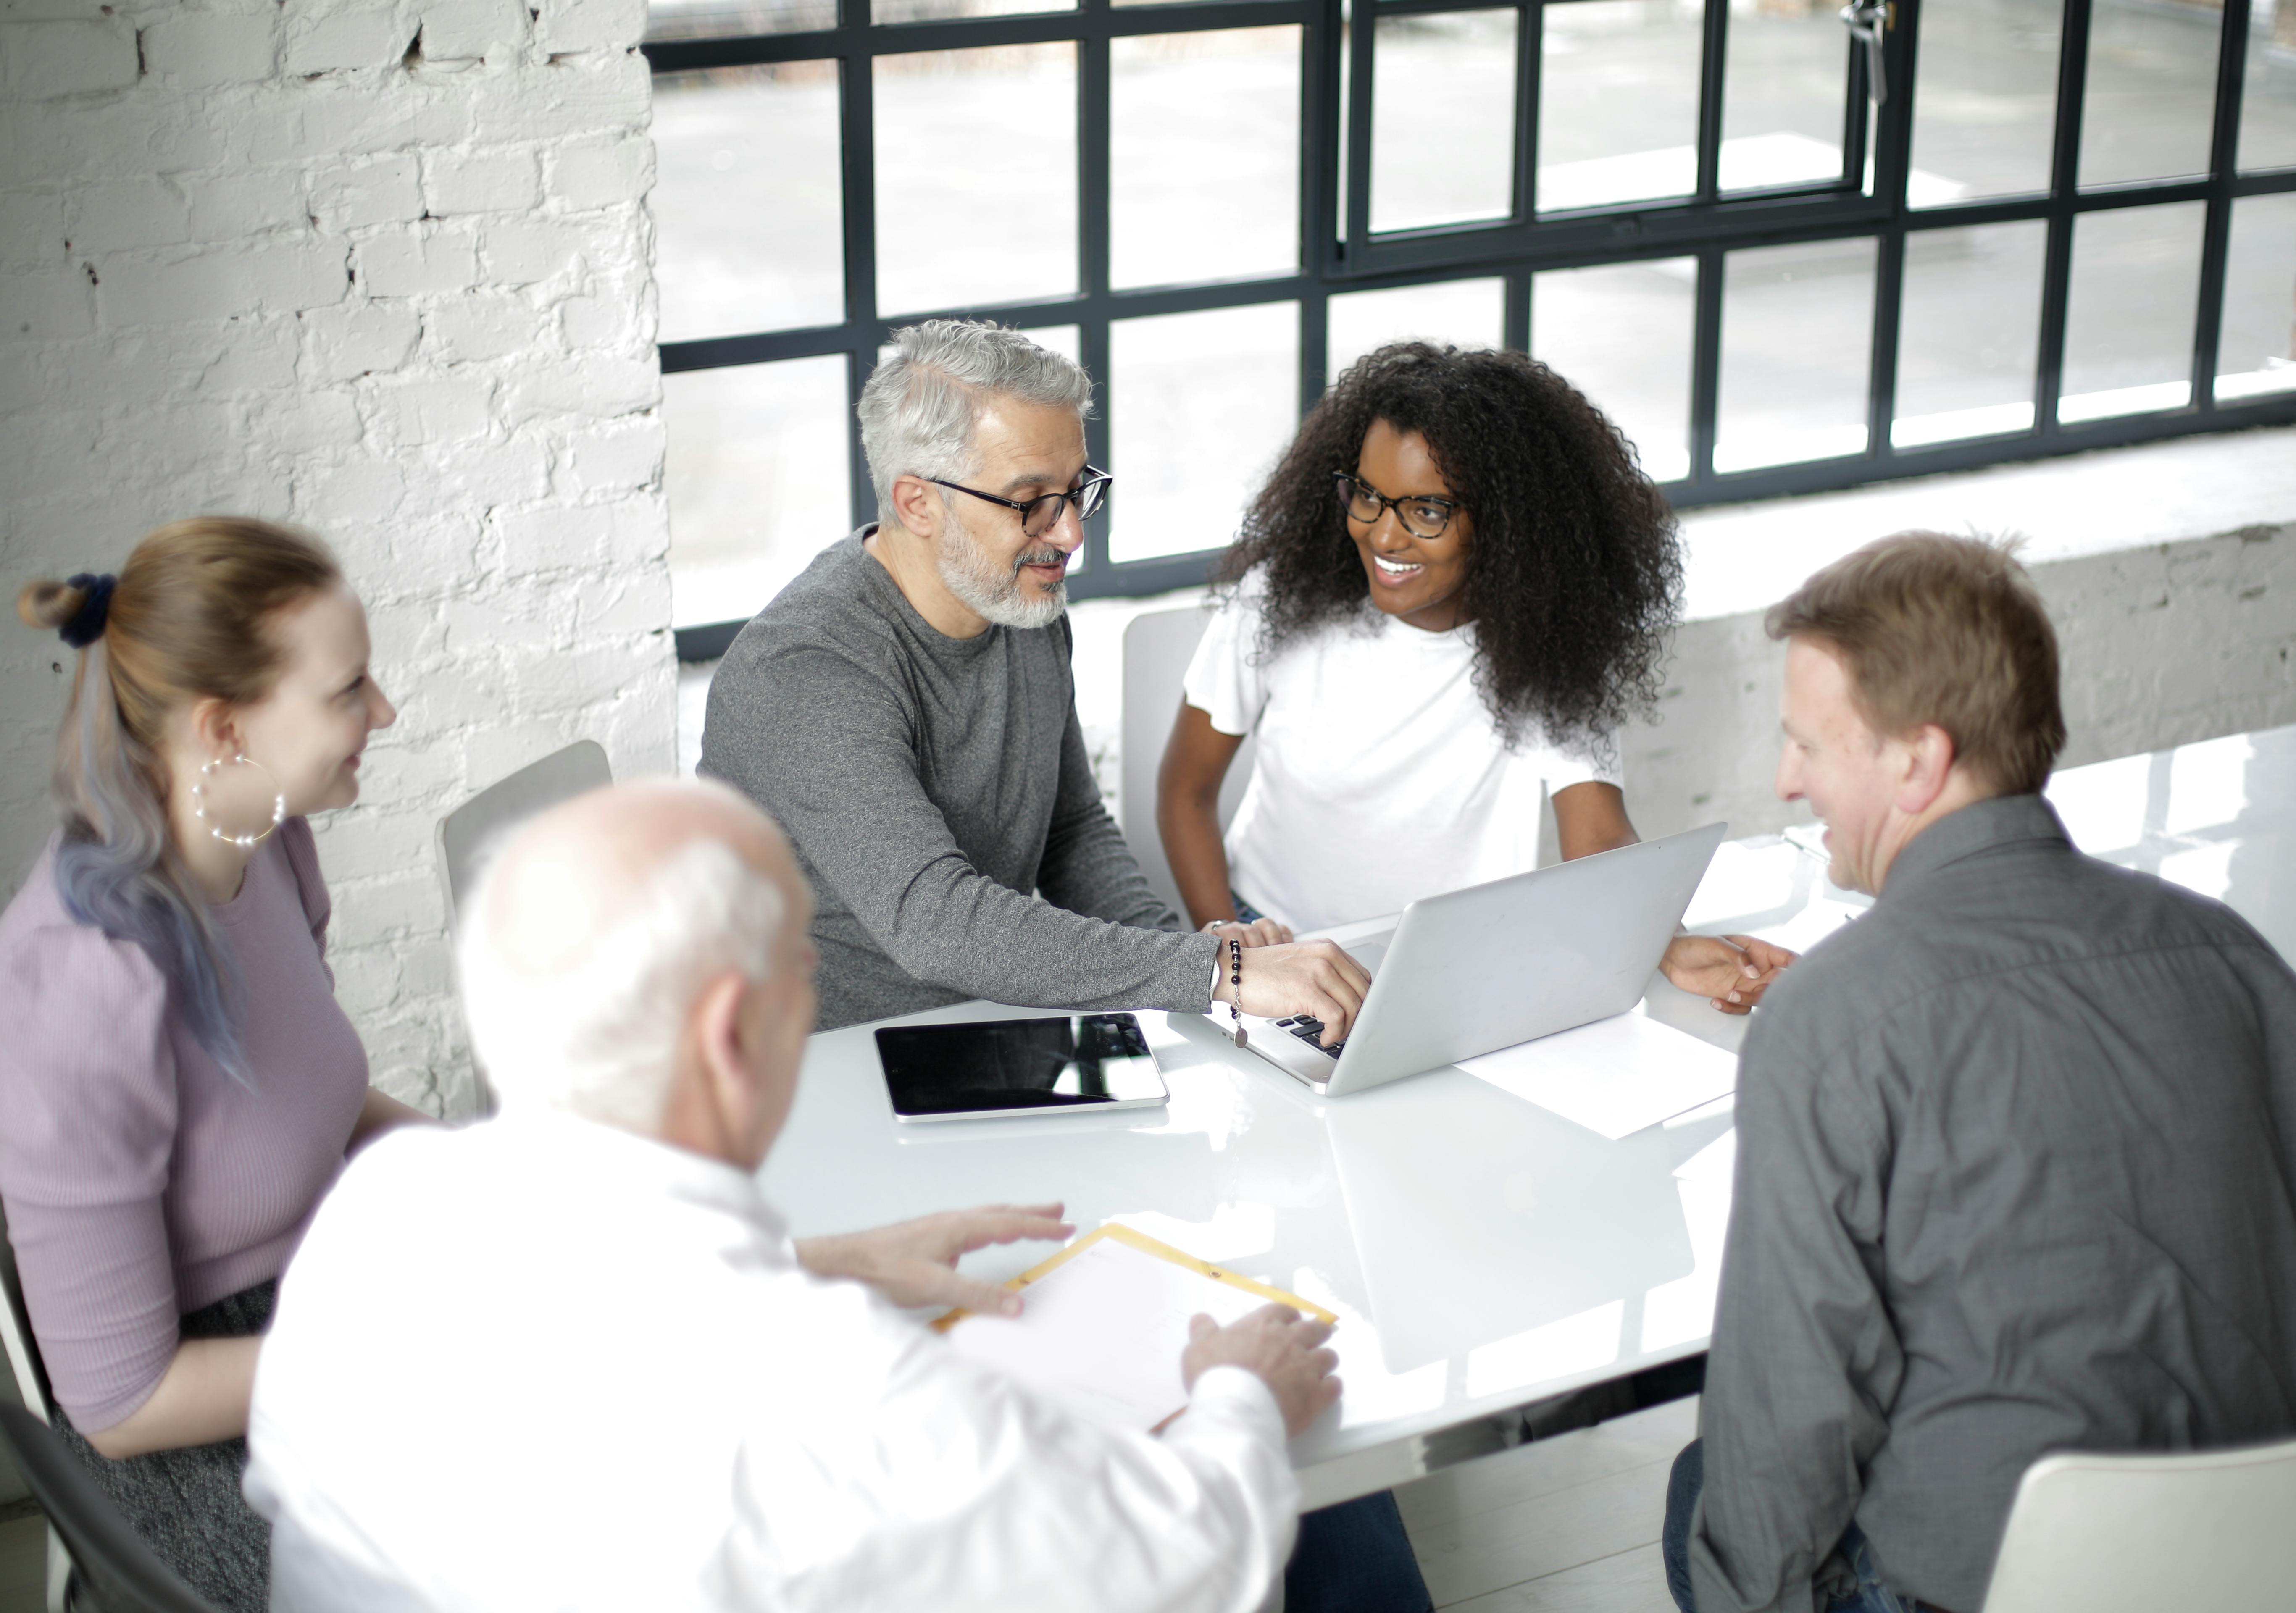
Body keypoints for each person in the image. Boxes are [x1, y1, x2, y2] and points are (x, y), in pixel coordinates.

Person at [244, 778, 1353, 1612]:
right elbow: (1193, 1561)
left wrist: (827, 1257)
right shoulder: (850, 1401)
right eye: (801, 973)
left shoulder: (379, 1213)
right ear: (732, 1034)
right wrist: (1239, 1388)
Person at [1663, 533, 2296, 1613]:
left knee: (1709, 1502)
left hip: (2005, 1589)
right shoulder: (2242, 963)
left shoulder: (1832, 1019)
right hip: (2278, 1567)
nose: (1786, 781)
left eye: (1808, 746)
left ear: (1919, 760)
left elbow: (1793, 1411)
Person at [700, 318, 1370, 1046]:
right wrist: (1215, 971)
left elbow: (1071, 833)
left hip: (985, 1028)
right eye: (1031, 502)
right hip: (812, 1066)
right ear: (918, 503)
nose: (1072, 534)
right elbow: (938, 924)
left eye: (1077, 488)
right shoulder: (806, 669)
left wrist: (1208, 961)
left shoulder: (1020, 601)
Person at [0, 519, 424, 1610]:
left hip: (324, 1309)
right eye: (349, 690)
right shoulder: (81, 985)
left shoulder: (269, 838)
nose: (384, 714)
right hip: (208, 1427)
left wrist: (477, 1169)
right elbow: (123, 1407)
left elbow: (302, 1107)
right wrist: (393, 1345)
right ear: (224, 729)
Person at [1159, 342, 1792, 1015]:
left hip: (1441, 966)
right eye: (1368, 496)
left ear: (1508, 523)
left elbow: (1599, 839)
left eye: (1427, 511)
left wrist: (1668, 941)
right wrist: (1233, 953)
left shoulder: (1545, 649)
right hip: (1276, 942)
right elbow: (1185, 793)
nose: (1384, 536)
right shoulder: (1278, 603)